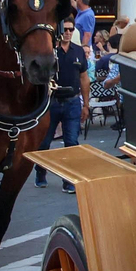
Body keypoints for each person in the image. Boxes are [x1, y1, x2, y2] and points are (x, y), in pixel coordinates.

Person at [33, 18, 90, 193]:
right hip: (51, 101)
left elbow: (84, 78)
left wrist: (86, 105)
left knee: (71, 142)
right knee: (44, 142)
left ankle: (69, 180)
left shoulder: (79, 51)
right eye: (65, 29)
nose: (68, 32)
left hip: (72, 101)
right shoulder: (49, 50)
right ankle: (40, 173)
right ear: (59, 30)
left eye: (71, 29)